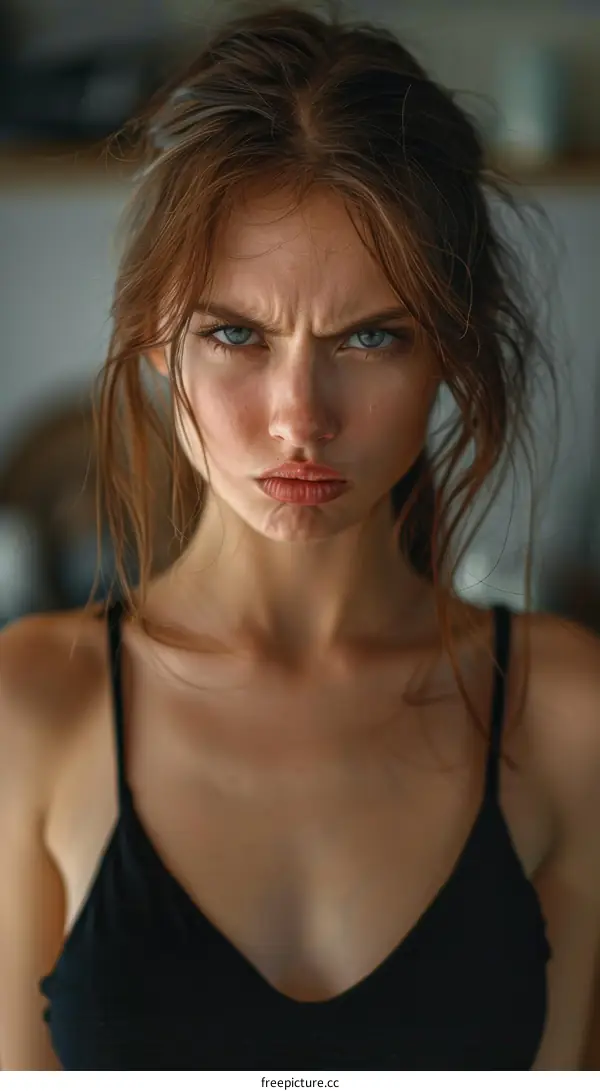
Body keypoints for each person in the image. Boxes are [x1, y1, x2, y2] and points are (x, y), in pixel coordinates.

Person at [1, 4, 599, 1073]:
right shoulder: (29, 706)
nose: (299, 415)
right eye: (236, 333)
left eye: (371, 336)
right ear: (151, 340)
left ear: (451, 355)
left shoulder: (566, 712)